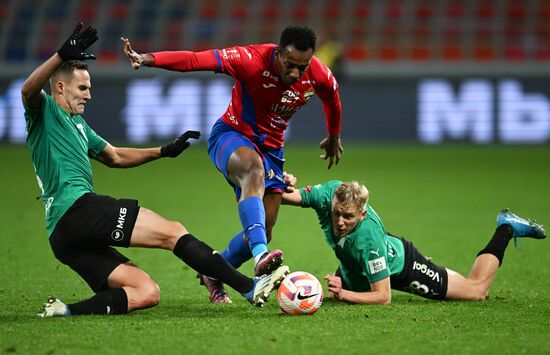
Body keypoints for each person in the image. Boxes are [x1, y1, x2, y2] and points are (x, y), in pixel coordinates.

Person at [23, 23, 289, 317]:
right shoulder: (44, 110)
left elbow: (115, 156)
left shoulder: (79, 125)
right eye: (82, 88)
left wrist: (163, 151)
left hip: (63, 236)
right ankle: (250, 286)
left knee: (146, 292)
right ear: (60, 87)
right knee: (172, 232)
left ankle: (63, 311)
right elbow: (28, 89)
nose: (88, 95)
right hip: (76, 208)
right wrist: (61, 55)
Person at [121, 25, 344, 303]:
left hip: (272, 149)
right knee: (253, 170)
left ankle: (213, 273)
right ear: (278, 53)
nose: (296, 73)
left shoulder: (318, 74)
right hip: (232, 135)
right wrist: (148, 58)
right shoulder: (249, 60)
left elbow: (332, 99)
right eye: (290, 65)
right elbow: (194, 60)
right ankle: (261, 255)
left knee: (265, 226)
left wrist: (334, 135)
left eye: (302, 66)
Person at [282, 178, 546, 304]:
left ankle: (506, 228)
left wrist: (344, 292)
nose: (339, 222)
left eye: (348, 217)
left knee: (476, 291)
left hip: (401, 266)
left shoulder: (368, 241)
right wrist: (278, 181)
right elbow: (286, 196)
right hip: (355, 263)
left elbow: (383, 297)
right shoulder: (330, 194)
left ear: (362, 214)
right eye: (337, 214)